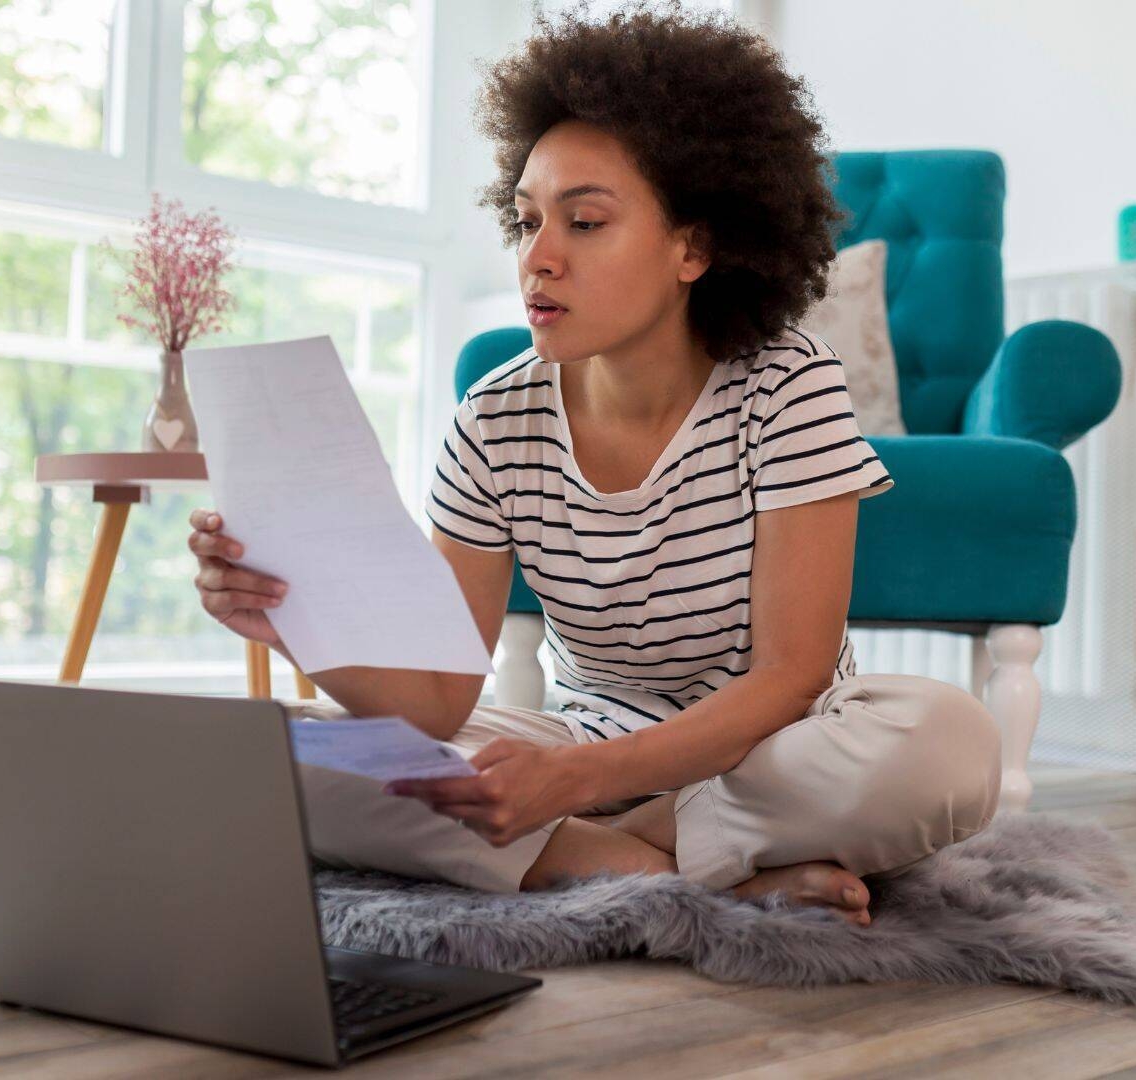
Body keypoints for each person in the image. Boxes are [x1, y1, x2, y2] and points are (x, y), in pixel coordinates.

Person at [187, 3, 999, 926]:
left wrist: (572, 782)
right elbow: (438, 699)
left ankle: (610, 848)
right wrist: (297, 624)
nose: (538, 258)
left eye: (584, 222)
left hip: (768, 754)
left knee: (948, 742)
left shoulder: (788, 383)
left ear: (694, 246)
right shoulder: (493, 418)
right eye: (527, 220)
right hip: (578, 738)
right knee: (286, 753)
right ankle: (691, 874)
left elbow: (791, 678)